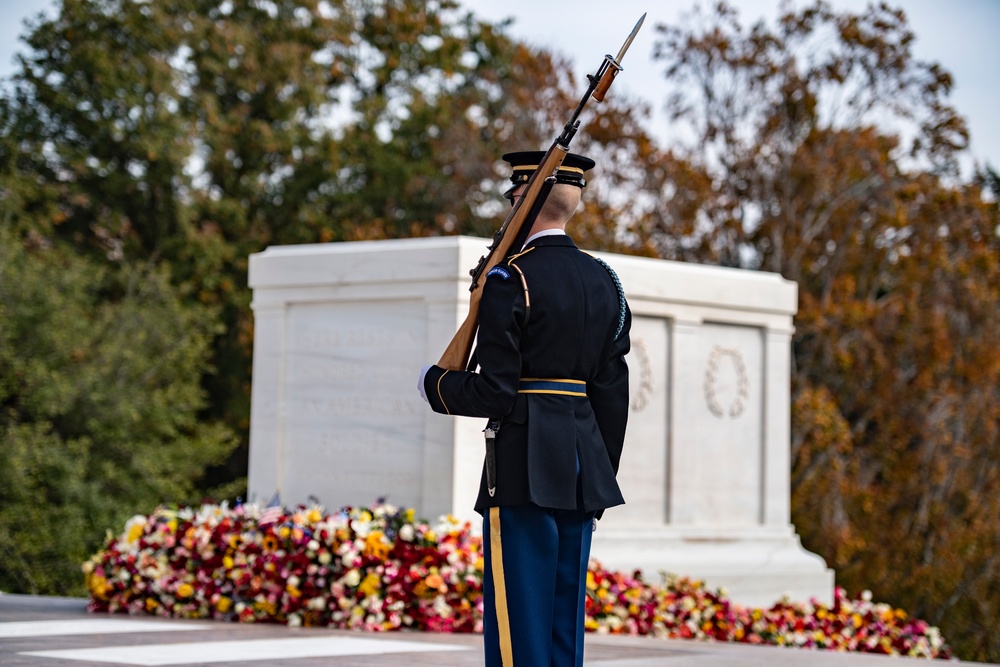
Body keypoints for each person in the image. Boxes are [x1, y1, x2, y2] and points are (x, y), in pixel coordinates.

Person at [418, 150, 631, 667]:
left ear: (523, 203)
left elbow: (495, 391)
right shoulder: (607, 283)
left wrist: (439, 386)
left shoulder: (510, 281)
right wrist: (597, 480)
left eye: (512, 203)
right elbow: (611, 395)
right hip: (582, 473)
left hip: (522, 468)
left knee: (519, 626)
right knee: (562, 630)